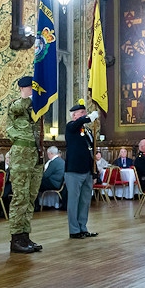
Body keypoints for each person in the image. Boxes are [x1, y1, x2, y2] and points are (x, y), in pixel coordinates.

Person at [5, 76, 44, 253]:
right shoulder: (15, 104)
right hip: (21, 155)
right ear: (23, 88)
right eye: (31, 87)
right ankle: (16, 238)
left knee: (30, 198)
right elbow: (21, 106)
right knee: (20, 197)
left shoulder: (37, 108)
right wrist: (30, 96)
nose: (34, 90)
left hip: (36, 155)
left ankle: (25, 235)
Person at [64, 99, 99, 239]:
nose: (85, 114)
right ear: (74, 115)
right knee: (73, 201)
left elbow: (90, 150)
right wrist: (88, 118)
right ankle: (74, 230)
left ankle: (82, 227)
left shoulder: (87, 130)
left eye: (85, 112)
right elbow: (76, 125)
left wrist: (93, 171)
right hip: (74, 171)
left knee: (84, 201)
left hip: (87, 170)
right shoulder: (70, 127)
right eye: (82, 113)